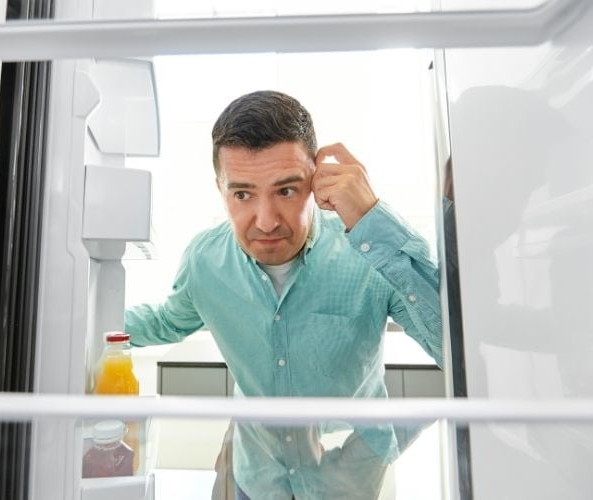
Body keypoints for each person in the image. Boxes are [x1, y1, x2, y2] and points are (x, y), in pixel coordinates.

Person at [125, 90, 443, 499]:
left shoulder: (368, 251)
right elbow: (167, 320)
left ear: (316, 181)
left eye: (286, 191)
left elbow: (458, 352)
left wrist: (371, 219)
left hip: (348, 474)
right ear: (220, 189)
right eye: (242, 194)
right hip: (255, 474)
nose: (266, 220)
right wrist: (81, 321)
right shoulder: (205, 260)